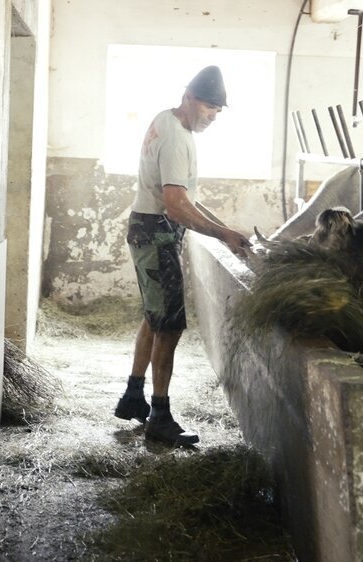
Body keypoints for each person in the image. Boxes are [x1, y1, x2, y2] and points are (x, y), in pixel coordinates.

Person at [115, 65, 250, 446]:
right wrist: (222, 232)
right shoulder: (176, 139)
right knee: (170, 327)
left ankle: (133, 396)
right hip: (157, 231)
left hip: (149, 227)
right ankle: (159, 416)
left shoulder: (170, 122)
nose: (213, 115)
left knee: (155, 318)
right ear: (189, 97)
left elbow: (186, 199)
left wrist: (224, 230)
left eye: (218, 110)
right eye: (209, 106)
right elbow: (175, 206)